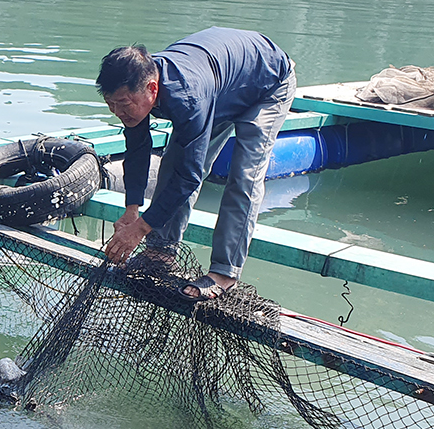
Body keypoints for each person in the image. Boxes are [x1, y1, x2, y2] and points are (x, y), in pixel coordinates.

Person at [97, 28, 296, 300]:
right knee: (174, 159)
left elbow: (190, 177)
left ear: (152, 89)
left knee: (244, 177)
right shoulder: (138, 85)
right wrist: (132, 210)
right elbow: (137, 148)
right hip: (221, 86)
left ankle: (225, 274)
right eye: (111, 105)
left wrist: (141, 229)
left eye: (123, 105)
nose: (118, 113)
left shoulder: (187, 98)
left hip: (267, 83)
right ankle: (160, 253)